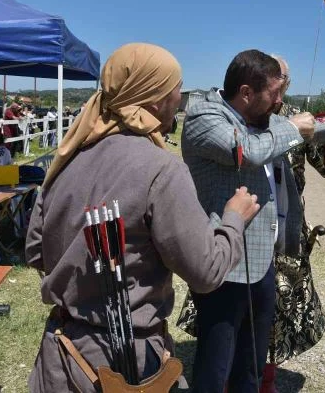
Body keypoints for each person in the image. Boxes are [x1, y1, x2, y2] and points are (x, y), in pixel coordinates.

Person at [25, 43, 260, 392]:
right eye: (175, 89)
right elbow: (206, 272)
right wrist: (233, 220)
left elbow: (35, 251)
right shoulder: (161, 169)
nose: (179, 98)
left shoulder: (68, 157)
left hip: (61, 353)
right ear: (153, 97)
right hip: (124, 365)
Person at [181, 50, 325, 392]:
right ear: (246, 92)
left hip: (262, 262)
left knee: (251, 366)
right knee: (215, 367)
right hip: (224, 264)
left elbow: (320, 129)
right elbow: (249, 151)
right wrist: (293, 128)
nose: (281, 101)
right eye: (275, 93)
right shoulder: (205, 116)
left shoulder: (266, 119)